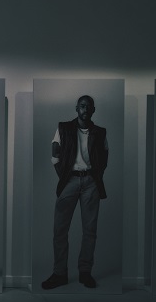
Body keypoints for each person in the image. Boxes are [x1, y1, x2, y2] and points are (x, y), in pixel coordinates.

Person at [42, 95, 108, 290]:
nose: (85, 109)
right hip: (69, 180)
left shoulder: (100, 132)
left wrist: (95, 177)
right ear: (76, 108)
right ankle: (59, 273)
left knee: (90, 230)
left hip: (91, 182)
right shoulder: (64, 128)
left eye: (89, 106)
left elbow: (104, 156)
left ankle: (85, 272)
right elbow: (55, 153)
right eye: (82, 106)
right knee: (60, 229)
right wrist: (64, 176)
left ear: (93, 110)